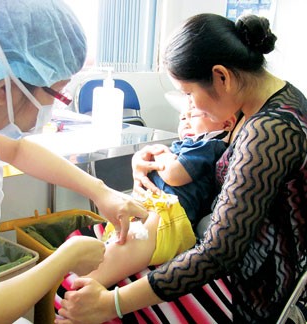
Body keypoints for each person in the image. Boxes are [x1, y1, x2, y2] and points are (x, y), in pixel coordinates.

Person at [56, 13, 307, 323]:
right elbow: (228, 173)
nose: (190, 107)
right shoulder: (257, 104)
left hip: (257, 285)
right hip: (218, 245)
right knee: (81, 254)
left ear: (221, 77)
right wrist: (149, 161)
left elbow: (219, 252)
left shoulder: (270, 131)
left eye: (189, 93)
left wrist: (112, 304)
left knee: (87, 291)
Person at [0, 1, 148, 323]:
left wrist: (100, 190)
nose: (53, 108)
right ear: (3, 90)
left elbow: (17, 151)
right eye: (57, 94)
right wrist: (66, 257)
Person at [83, 106, 237, 288]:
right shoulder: (188, 145)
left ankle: (88, 284)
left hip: (172, 215)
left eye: (193, 115)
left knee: (130, 241)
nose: (185, 122)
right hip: (152, 207)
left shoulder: (209, 146)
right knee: (116, 239)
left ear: (226, 123)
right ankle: (88, 273)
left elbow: (174, 175)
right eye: (182, 118)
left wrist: (161, 153)